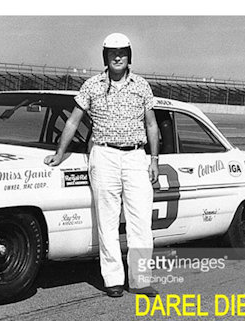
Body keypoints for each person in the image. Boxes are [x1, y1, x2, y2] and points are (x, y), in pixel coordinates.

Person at [44, 33, 160, 298]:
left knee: (140, 221)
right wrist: (60, 153)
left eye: (122, 52)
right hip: (104, 156)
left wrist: (154, 159)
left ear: (129, 55)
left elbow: (151, 124)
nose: (117, 57)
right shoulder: (92, 86)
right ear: (105, 57)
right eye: (111, 53)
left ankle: (141, 280)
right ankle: (113, 280)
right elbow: (73, 121)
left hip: (135, 157)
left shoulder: (142, 86)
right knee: (107, 221)